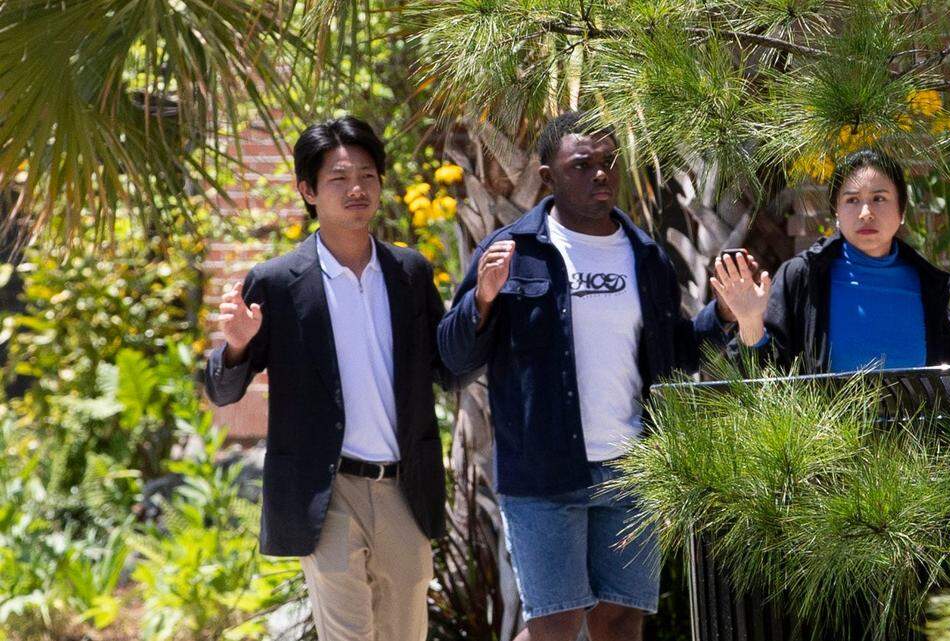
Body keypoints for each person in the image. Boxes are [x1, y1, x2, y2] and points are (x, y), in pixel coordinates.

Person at [437, 111, 742, 641]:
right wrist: (483, 300)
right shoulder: (512, 252)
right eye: (582, 165)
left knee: (621, 623)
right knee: (554, 627)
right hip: (543, 479)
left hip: (632, 472)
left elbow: (672, 357)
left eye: (608, 163)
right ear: (549, 176)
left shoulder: (646, 257)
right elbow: (453, 361)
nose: (600, 174)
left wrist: (725, 314)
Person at [204, 116, 447, 641]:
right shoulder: (277, 283)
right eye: (339, 178)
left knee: (405, 633)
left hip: (405, 486)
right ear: (308, 191)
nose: (356, 188)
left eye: (367, 175)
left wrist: (485, 307)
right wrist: (239, 344)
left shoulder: (411, 274)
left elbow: (448, 368)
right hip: (327, 490)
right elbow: (222, 391)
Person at [712, 148, 950, 373]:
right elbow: (763, 379)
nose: (866, 212)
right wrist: (750, 322)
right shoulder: (803, 277)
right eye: (852, 200)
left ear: (901, 211)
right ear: (837, 213)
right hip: (831, 462)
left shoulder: (925, 283)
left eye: (879, 198)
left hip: (912, 457)